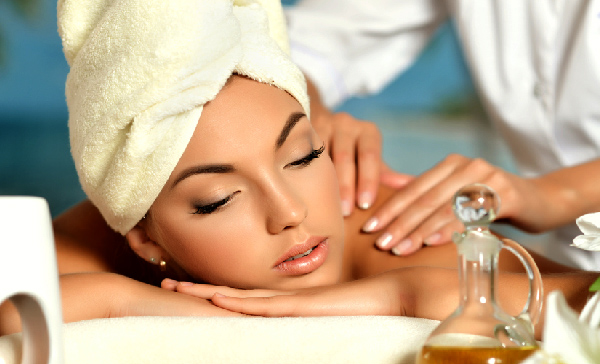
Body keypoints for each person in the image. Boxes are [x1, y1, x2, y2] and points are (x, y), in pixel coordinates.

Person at [0, 0, 594, 338]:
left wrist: (405, 294)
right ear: (146, 239)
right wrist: (127, 301)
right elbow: (17, 306)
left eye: (306, 156)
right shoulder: (133, 212)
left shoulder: (411, 247)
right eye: (217, 199)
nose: (291, 212)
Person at [283, 0, 600, 271]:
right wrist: (309, 115)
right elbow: (303, 47)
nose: (289, 215)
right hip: (569, 267)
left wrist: (557, 194)